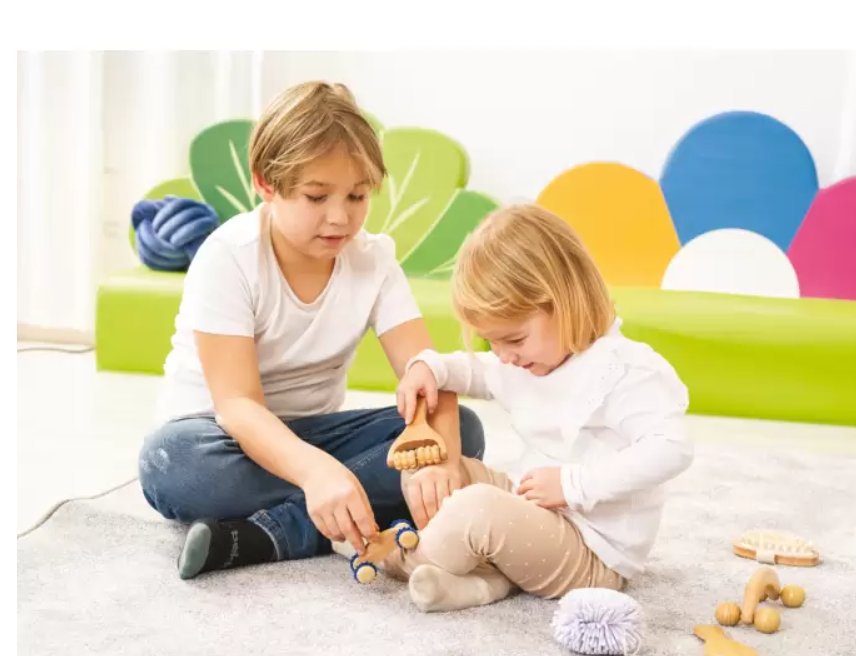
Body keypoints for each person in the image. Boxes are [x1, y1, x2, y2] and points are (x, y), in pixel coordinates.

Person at [138, 81, 483, 580]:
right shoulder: (229, 257)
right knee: (170, 464)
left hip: (316, 437)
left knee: (463, 430)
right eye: (316, 197)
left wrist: (443, 458)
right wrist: (316, 472)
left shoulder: (374, 260)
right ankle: (344, 506)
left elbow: (430, 373)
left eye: (357, 195)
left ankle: (277, 532)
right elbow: (237, 406)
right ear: (267, 184)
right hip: (220, 437)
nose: (340, 217)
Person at [390, 203, 693, 612]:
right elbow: (473, 371)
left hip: (592, 551)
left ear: (565, 301)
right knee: (426, 470)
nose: (504, 355)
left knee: (476, 508)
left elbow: (672, 448)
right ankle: (481, 583)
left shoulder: (625, 370)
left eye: (514, 340)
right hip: (535, 512)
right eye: (491, 341)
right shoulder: (528, 360)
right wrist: (428, 366)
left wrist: (574, 485)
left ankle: (399, 556)